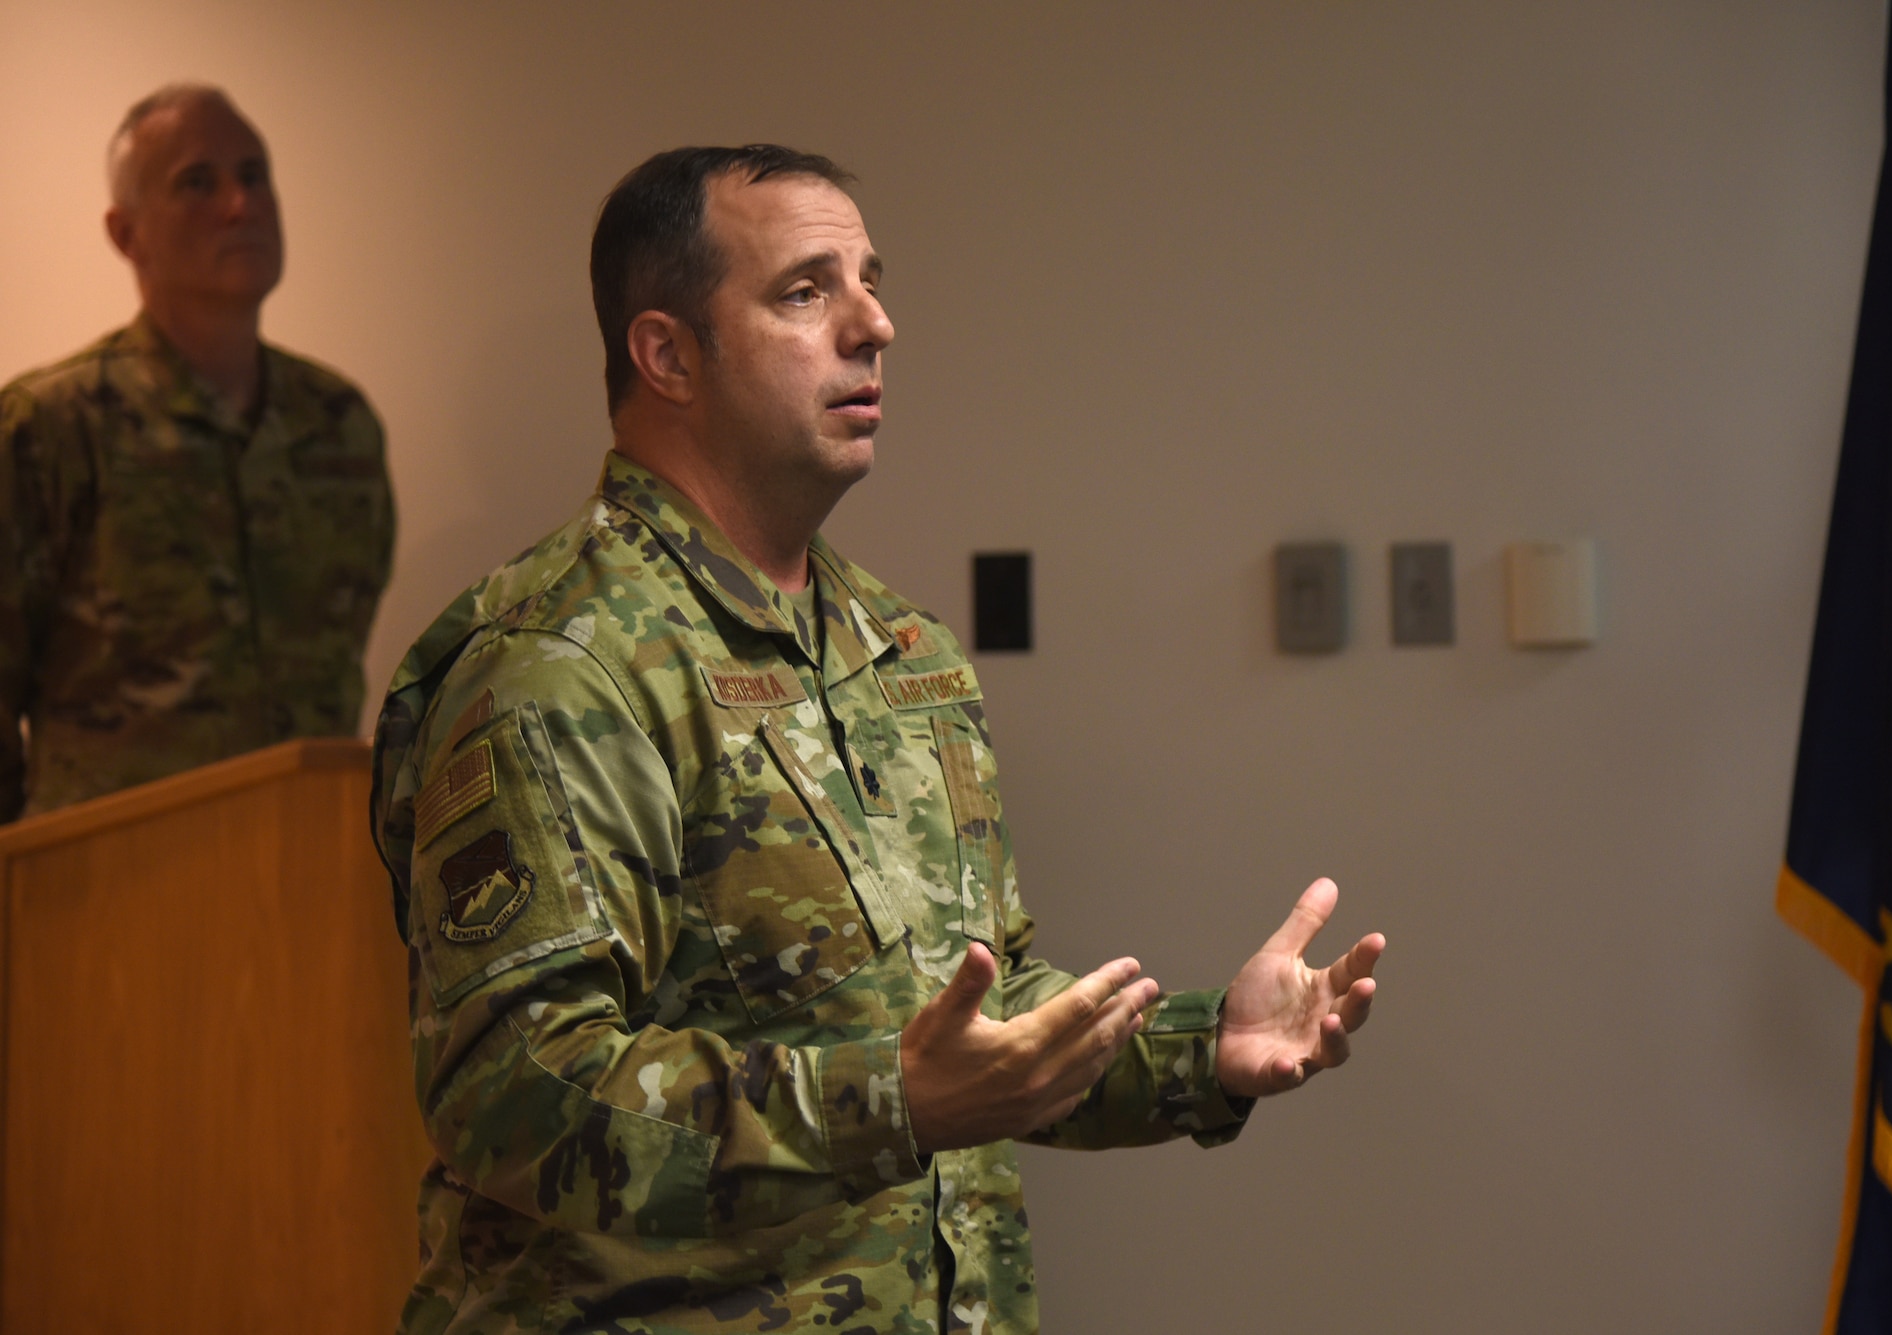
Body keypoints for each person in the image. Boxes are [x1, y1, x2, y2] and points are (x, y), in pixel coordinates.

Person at [370, 145, 1384, 1335]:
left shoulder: (900, 649)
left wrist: (1200, 1043)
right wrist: (887, 1099)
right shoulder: (559, 662)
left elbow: (978, 1022)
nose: (874, 324)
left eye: (868, 280)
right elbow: (515, 1091)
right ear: (666, 354)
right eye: (806, 290)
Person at [0, 83, 394, 821]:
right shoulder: (50, 426)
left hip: (300, 867)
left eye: (253, 175)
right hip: (105, 885)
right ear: (126, 233)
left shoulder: (339, 424)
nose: (240, 205)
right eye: (197, 182)